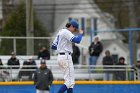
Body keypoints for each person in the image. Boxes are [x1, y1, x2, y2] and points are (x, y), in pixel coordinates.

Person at [51, 19, 83, 93]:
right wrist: (80, 34)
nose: (74, 31)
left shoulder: (61, 32)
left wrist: (62, 45)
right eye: (75, 28)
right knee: (69, 82)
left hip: (61, 56)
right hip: (65, 57)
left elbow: (53, 46)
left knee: (70, 83)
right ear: (71, 26)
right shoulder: (66, 32)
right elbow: (77, 40)